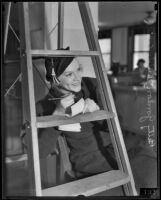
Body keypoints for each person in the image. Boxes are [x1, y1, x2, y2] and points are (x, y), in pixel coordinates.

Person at [36, 47, 118, 178]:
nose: (78, 78)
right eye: (69, 74)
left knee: (150, 163)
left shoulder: (94, 84)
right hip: (94, 165)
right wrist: (56, 117)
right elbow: (39, 152)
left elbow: (118, 127)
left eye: (78, 69)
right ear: (54, 79)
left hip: (121, 150)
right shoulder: (45, 105)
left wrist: (98, 113)